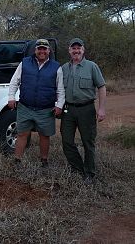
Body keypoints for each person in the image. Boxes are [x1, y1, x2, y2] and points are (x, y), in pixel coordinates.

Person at [8, 39, 65, 168]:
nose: (42, 51)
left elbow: (60, 89)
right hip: (25, 107)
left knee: (44, 135)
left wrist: (59, 105)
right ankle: (17, 160)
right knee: (22, 134)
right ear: (35, 50)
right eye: (39, 48)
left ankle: (44, 161)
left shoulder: (56, 67)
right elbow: (14, 82)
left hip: (46, 109)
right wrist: (11, 97)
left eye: (45, 49)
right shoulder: (25, 63)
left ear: (49, 51)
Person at [60, 38, 106, 183]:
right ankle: (78, 168)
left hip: (87, 109)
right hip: (68, 110)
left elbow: (101, 87)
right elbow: (59, 90)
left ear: (83, 50)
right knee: (67, 141)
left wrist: (102, 108)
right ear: (69, 51)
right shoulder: (63, 68)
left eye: (78, 48)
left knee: (88, 142)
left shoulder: (92, 66)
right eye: (73, 48)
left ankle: (90, 173)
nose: (76, 51)